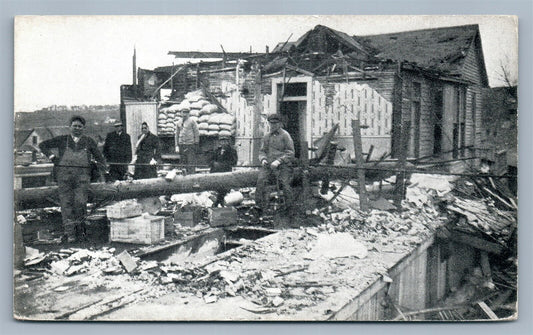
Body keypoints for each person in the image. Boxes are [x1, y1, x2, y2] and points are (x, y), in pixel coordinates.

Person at [39, 115, 106, 243]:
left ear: (83, 128)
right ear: (70, 127)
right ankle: (70, 234)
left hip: (82, 178)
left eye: (80, 126)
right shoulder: (62, 140)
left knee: (80, 203)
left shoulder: (89, 141)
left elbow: (99, 157)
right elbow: (42, 145)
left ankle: (80, 232)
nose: (77, 128)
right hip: (64, 178)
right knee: (66, 205)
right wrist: (52, 157)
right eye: (74, 126)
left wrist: (103, 168)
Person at [255, 114, 295, 214]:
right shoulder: (266, 136)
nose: (272, 126)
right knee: (260, 181)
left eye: (275, 124)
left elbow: (290, 152)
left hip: (283, 166)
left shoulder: (285, 135)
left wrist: (278, 161)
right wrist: (263, 159)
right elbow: (262, 151)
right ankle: (260, 207)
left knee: (285, 184)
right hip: (268, 166)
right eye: (271, 124)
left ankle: (289, 209)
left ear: (280, 124)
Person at [209, 134, 238, 206]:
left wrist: (222, 165)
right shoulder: (217, 151)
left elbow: (234, 162)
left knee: (223, 189)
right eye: (222, 141)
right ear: (220, 143)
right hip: (216, 173)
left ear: (228, 142)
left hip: (226, 173)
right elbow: (210, 160)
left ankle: (217, 203)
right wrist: (214, 163)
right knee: (216, 189)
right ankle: (219, 202)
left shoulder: (232, 151)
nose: (224, 143)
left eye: (225, 141)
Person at [176, 107, 199, 174]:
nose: (185, 114)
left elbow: (196, 132)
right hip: (182, 145)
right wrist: (176, 145)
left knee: (191, 162)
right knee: (183, 162)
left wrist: (196, 143)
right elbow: (176, 134)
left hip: (190, 144)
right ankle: (184, 177)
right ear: (181, 113)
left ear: (189, 113)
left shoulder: (192, 121)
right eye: (183, 112)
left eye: (186, 112)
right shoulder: (178, 122)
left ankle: (192, 176)